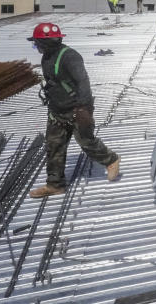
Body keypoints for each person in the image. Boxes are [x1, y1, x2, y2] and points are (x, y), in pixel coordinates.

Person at [27, 22, 120, 198]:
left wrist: (84, 109)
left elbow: (83, 82)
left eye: (36, 43)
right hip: (57, 110)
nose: (36, 47)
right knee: (54, 145)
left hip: (77, 108)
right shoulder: (47, 56)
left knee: (86, 142)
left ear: (46, 43)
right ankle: (55, 185)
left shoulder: (70, 56)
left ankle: (111, 160)